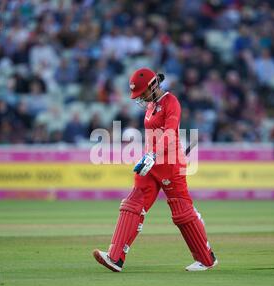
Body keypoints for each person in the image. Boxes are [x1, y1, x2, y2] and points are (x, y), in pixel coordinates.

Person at [93, 68, 218, 272]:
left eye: (142, 92)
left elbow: (169, 133)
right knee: (132, 204)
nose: (140, 97)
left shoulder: (171, 102)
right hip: (151, 164)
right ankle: (115, 258)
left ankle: (206, 259)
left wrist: (153, 155)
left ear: (153, 85)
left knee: (182, 213)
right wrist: (147, 156)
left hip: (170, 164)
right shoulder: (151, 104)